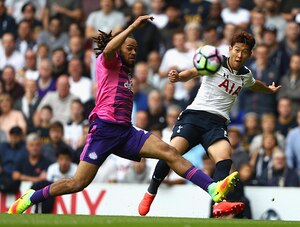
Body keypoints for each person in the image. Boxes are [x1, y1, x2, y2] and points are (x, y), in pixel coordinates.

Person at [8, 15, 235, 215]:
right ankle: (30, 197)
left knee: (169, 151)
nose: (134, 52)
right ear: (119, 48)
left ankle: (212, 188)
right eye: (130, 48)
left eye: (136, 49)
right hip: (103, 132)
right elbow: (108, 49)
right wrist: (133, 25)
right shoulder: (107, 62)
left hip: (126, 132)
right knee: (78, 183)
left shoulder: (126, 71)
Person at [138, 31, 281, 217]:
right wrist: (179, 77)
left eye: (244, 51)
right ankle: (151, 191)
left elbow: (254, 84)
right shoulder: (215, 62)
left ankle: (218, 204)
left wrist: (268, 90)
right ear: (230, 49)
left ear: (249, 54)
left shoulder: (246, 75)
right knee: (170, 152)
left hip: (217, 123)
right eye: (236, 50)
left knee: (225, 158)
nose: (239, 55)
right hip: (194, 116)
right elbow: (193, 72)